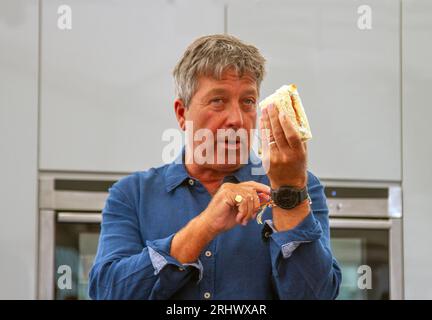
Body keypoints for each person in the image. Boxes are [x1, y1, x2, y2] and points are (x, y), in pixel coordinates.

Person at [89, 34, 341, 300]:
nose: (236, 119)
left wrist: (289, 194)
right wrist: (204, 227)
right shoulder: (132, 194)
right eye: (218, 100)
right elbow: (108, 292)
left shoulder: (302, 187)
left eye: (248, 101)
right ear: (181, 114)